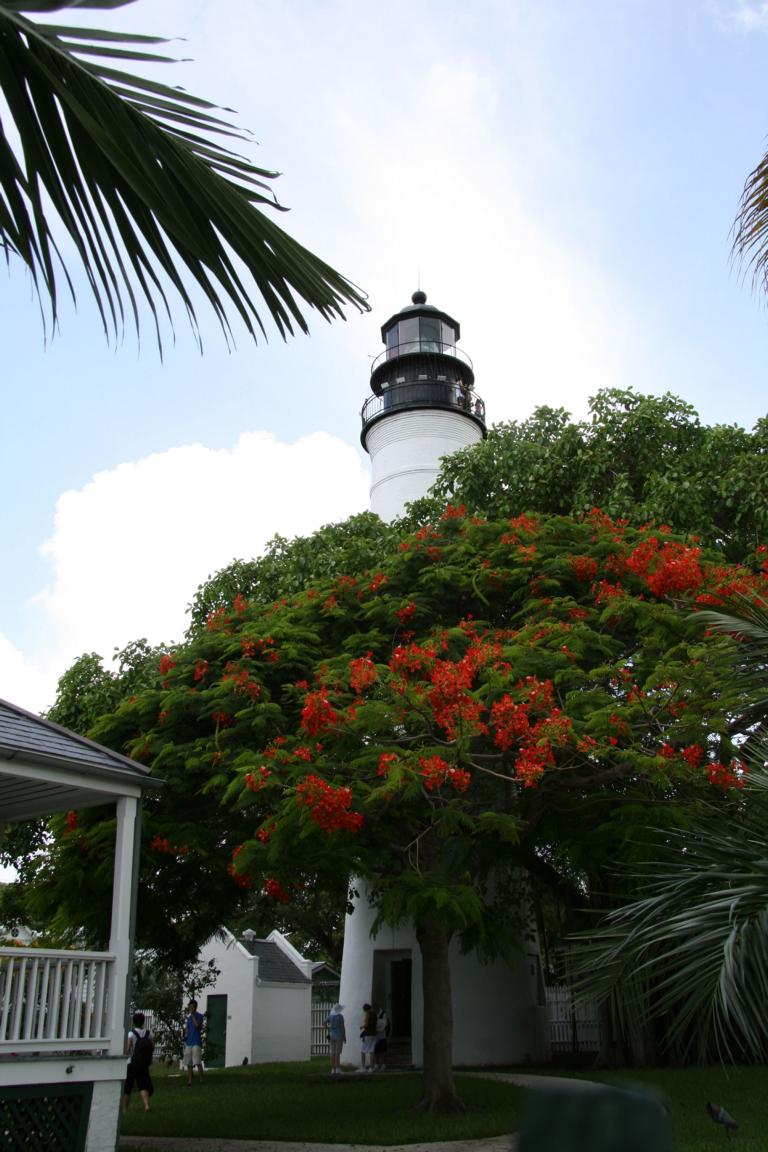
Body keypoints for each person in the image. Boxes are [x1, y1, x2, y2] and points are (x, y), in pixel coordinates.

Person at [123, 1011, 154, 1113]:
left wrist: (126, 1053)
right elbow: (152, 1047)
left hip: (132, 1063)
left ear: (134, 1022)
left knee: (128, 1087)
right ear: (143, 1021)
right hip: (143, 1063)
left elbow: (128, 1048)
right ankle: (146, 1105)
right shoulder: (148, 1033)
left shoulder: (131, 1033)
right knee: (143, 1085)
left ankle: (125, 1109)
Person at [183, 998, 205, 1086]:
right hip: (189, 1042)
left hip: (196, 1042)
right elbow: (187, 1028)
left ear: (196, 1007)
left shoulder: (200, 1016)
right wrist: (185, 1035)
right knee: (189, 1063)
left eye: (192, 1007)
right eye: (190, 1006)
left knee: (197, 1061)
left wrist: (192, 1016)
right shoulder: (188, 1018)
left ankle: (201, 1079)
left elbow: (197, 1026)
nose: (191, 1008)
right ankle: (190, 1080)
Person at [324, 1002, 346, 1075]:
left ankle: (333, 1069)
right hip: (339, 1036)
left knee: (332, 1052)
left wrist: (328, 1029)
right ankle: (338, 1069)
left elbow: (324, 1022)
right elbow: (342, 1028)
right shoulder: (340, 1017)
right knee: (337, 1053)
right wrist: (344, 1037)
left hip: (331, 1035)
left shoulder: (330, 1016)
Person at [359, 1002, 378, 1072]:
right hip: (374, 1034)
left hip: (368, 1034)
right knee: (372, 1051)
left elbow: (366, 1025)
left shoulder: (368, 1014)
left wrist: (361, 1027)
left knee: (362, 1051)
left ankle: (363, 1067)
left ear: (365, 1009)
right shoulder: (375, 1014)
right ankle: (372, 1067)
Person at [374, 1004, 390, 1071]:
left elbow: (385, 1024)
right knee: (376, 1051)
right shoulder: (373, 1014)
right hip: (375, 1035)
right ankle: (376, 1064)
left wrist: (378, 1026)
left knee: (383, 1051)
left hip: (382, 1035)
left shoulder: (383, 1014)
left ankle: (383, 1064)